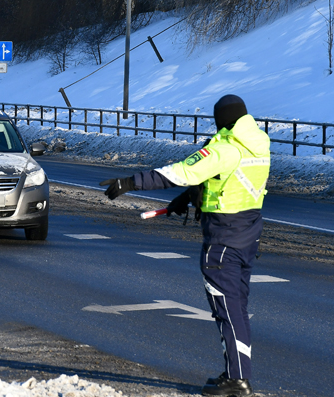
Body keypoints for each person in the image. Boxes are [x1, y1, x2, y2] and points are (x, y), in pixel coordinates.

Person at [100, 94, 270, 397]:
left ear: (221, 119)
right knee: (237, 309)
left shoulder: (225, 149)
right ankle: (236, 373)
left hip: (223, 239)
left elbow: (181, 170)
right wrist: (190, 197)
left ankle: (238, 382)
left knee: (226, 310)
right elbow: (228, 180)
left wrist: (130, 182)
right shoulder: (258, 144)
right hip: (247, 234)